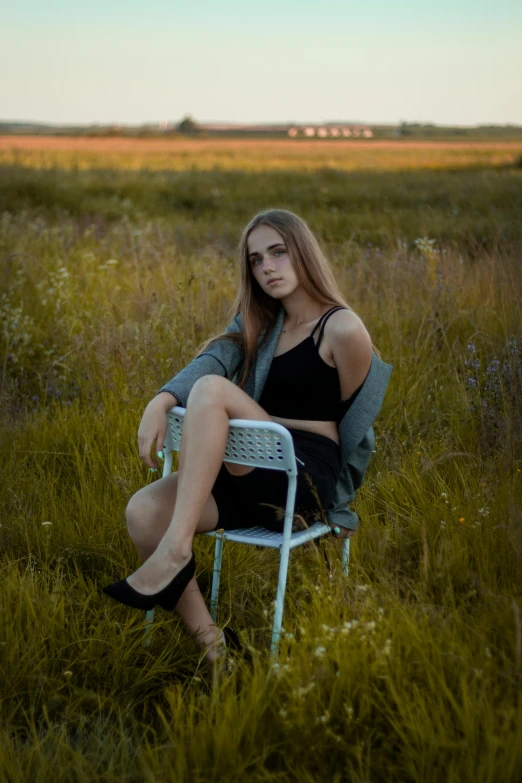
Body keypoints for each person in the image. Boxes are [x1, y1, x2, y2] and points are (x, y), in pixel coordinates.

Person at [103, 209, 392, 675]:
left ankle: (175, 550)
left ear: (303, 252)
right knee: (143, 511)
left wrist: (340, 505)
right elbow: (214, 358)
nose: (268, 268)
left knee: (214, 392)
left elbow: (357, 429)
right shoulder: (260, 320)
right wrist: (161, 399)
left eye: (278, 253)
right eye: (257, 260)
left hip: (300, 479)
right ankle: (215, 648)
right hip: (248, 471)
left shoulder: (341, 327)